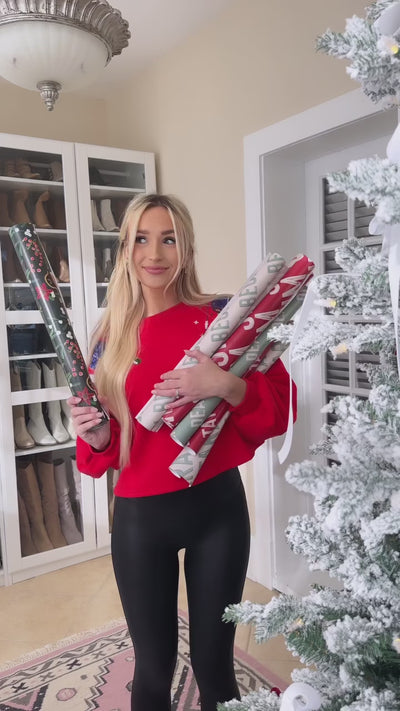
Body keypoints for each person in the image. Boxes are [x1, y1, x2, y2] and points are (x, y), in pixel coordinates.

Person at [67, 193, 296, 711]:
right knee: (153, 670)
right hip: (141, 520)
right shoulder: (107, 340)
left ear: (185, 248)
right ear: (124, 249)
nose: (155, 254)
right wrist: (97, 437)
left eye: (168, 239)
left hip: (218, 511)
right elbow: (106, 444)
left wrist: (224, 384)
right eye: (141, 239)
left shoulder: (224, 317)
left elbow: (277, 409)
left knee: (215, 666)